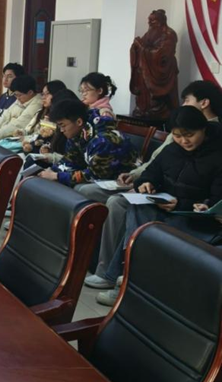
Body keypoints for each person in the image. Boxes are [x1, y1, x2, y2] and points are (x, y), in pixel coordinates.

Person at [82, 81, 222, 292]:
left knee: (143, 223)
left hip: (189, 216)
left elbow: (215, 200)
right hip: (165, 206)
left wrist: (183, 205)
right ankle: (123, 275)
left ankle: (126, 278)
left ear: (203, 130)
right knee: (138, 209)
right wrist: (144, 184)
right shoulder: (172, 150)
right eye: (177, 136)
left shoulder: (216, 157)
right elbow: (151, 172)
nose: (184, 141)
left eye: (189, 135)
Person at [37, 99, 136, 187]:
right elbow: (70, 162)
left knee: (80, 188)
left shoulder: (103, 140)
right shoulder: (78, 134)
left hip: (122, 180)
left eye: (63, 126)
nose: (61, 130)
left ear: (79, 122)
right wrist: (51, 171)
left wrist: (57, 176)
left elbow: (93, 175)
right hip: (101, 177)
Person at [0, 74, 42, 142]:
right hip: (1, 136)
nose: (17, 98)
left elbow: (16, 126)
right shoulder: (21, 99)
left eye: (19, 95)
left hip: (13, 140)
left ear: (30, 92)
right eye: (15, 95)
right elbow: (3, 118)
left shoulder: (37, 104)